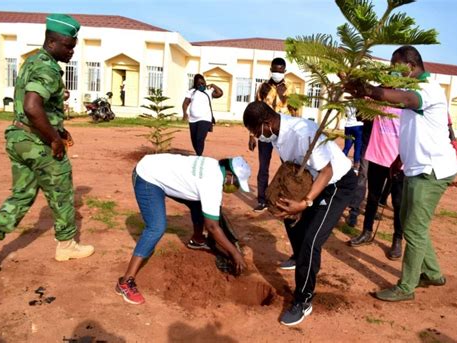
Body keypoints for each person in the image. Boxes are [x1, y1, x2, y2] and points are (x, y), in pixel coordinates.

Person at [344, 45, 457, 302]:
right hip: (416, 166)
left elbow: (404, 100)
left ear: (409, 66)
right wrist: (399, 158)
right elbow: (414, 130)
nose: (392, 74)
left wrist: (369, 90)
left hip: (431, 171)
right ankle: (432, 272)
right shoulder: (415, 90)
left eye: (395, 68)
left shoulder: (426, 91)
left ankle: (406, 287)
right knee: (411, 223)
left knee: (414, 228)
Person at [0, 14, 94, 274]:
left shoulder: (33, 61)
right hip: (37, 142)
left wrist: (59, 127)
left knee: (21, 194)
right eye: (68, 46)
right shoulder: (47, 66)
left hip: (18, 138)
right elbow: (32, 106)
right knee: (61, 191)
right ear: (52, 42)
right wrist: (54, 139)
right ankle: (66, 245)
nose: (72, 51)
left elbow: (38, 106)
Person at [243, 101, 356, 326]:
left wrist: (305, 203)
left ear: (267, 123)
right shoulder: (276, 135)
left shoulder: (303, 132)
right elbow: (292, 167)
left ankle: (303, 300)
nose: (256, 136)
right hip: (313, 181)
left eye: (256, 131)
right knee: (289, 216)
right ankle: (298, 257)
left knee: (311, 241)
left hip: (336, 183)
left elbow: (327, 171)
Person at [115, 153, 250, 305]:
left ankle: (197, 240)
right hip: (147, 177)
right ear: (230, 175)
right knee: (156, 227)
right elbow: (212, 226)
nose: (235, 187)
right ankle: (125, 282)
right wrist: (235, 253)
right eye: (237, 183)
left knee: (199, 203)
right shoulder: (212, 182)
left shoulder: (214, 166)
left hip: (158, 168)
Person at [348, 107, 404, 260]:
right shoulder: (378, 98)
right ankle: (366, 232)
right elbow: (360, 115)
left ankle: (397, 240)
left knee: (398, 203)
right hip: (377, 157)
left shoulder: (406, 97)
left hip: (399, 161)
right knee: (372, 198)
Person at [248, 57, 298, 214]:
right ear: (271, 69)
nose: (277, 73)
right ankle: (262, 200)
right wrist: (251, 134)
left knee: (288, 167)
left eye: (280, 70)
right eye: (274, 70)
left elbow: (295, 112)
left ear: (285, 71)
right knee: (263, 168)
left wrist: (295, 134)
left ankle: (285, 199)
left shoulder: (291, 88)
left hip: (284, 134)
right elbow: (255, 110)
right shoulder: (263, 87)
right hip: (265, 133)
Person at [182, 74, 223, 156]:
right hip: (193, 120)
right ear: (195, 85)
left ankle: (199, 155)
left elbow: (220, 93)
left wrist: (213, 85)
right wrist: (185, 113)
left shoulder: (209, 91)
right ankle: (198, 153)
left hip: (205, 119)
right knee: (194, 139)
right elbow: (185, 103)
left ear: (205, 82)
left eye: (202, 83)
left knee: (199, 138)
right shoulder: (192, 92)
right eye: (199, 84)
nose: (201, 85)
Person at [342, 105, 363, 172]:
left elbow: (346, 115)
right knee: (357, 148)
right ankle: (355, 167)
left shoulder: (346, 104)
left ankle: (340, 163)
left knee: (346, 147)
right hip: (358, 126)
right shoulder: (360, 103)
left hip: (348, 126)